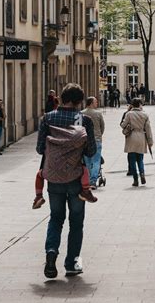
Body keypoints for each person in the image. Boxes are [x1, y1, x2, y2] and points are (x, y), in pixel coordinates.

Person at [37, 83, 97, 279]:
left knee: (56, 218)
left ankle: (51, 253)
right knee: (76, 221)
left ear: (62, 98)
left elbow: (39, 149)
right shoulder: (84, 119)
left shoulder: (47, 118)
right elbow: (91, 151)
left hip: (53, 177)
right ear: (80, 101)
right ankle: (71, 263)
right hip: (76, 178)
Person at [121, 99, 153, 186]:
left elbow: (123, 125)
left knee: (132, 160)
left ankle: (135, 179)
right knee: (140, 159)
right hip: (141, 137)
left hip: (131, 137)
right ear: (139, 104)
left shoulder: (129, 114)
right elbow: (148, 129)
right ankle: (142, 173)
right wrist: (150, 141)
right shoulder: (145, 114)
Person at [83, 96, 105, 189]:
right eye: (95, 102)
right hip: (96, 140)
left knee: (86, 161)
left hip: (84, 140)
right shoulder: (98, 114)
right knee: (96, 160)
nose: (97, 104)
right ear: (91, 103)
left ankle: (87, 180)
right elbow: (102, 126)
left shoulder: (80, 113)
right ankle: (93, 181)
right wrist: (99, 135)